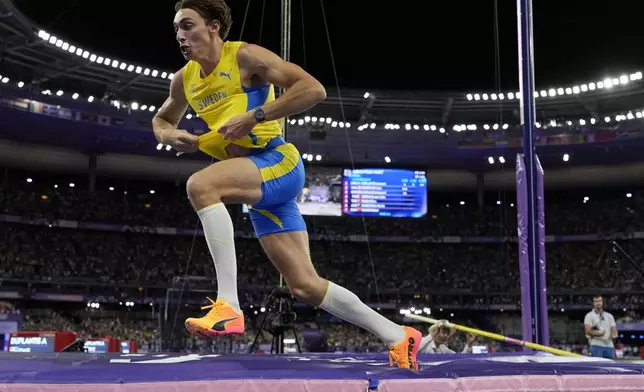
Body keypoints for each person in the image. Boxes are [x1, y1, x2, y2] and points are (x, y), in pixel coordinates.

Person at [152, 0, 422, 370]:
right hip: (257, 183)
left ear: (214, 26)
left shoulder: (245, 57)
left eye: (188, 25)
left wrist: (256, 115)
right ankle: (398, 335)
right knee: (305, 285)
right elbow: (162, 119)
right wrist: (172, 136)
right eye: (177, 29)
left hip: (277, 162)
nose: (181, 36)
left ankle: (227, 305)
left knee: (201, 186)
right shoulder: (184, 79)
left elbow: (312, 89)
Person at [583, 295, 618, 359]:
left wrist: (615, 334)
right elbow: (587, 332)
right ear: (593, 303)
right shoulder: (589, 316)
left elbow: (614, 331)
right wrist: (600, 334)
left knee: (610, 367)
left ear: (602, 302)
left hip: (609, 345)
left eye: (599, 301)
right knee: (597, 367)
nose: (598, 303)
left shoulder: (609, 316)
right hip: (596, 345)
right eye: (596, 301)